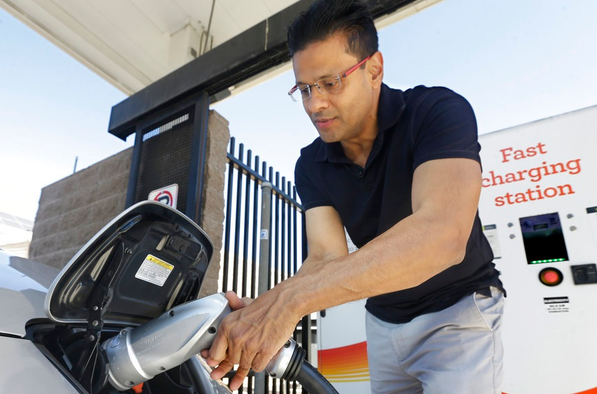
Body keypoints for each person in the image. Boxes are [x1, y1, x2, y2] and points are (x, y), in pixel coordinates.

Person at [204, 0, 505, 392]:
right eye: (305, 89)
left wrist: (289, 304)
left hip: (458, 311)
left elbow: (442, 236)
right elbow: (326, 257)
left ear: (374, 69)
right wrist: (263, 310)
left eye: (330, 83)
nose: (315, 104)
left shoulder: (435, 112)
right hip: (382, 321)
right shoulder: (311, 164)